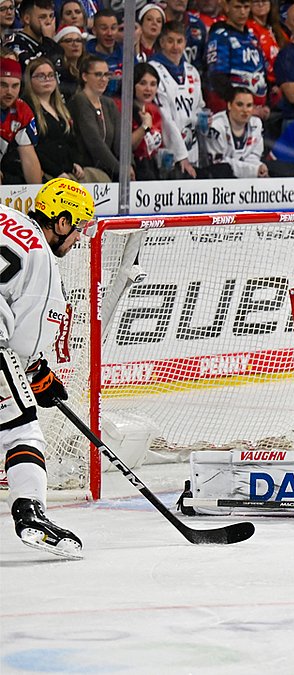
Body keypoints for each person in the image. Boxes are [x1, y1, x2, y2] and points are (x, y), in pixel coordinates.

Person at [1, 176, 94, 559]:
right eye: (79, 227)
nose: (78, 238)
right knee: (23, 430)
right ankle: (31, 513)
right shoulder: (41, 256)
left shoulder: (4, 215)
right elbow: (23, 343)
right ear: (60, 221)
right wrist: (37, 374)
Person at [21, 56, 104, 183]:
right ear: (30, 80)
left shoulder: (61, 109)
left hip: (67, 171)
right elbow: (37, 150)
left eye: (50, 75)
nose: (47, 80)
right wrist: (57, 172)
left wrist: (75, 164)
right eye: (41, 76)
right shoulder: (27, 108)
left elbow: (70, 142)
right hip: (46, 173)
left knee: (101, 179)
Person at [150, 21, 205, 170]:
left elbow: (198, 107)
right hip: (166, 152)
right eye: (170, 41)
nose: (175, 47)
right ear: (161, 42)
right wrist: (181, 156)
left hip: (191, 149)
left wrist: (204, 119)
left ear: (185, 42)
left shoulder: (192, 71)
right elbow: (164, 117)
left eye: (179, 41)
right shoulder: (153, 70)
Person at [204, 0, 268, 115]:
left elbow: (262, 72)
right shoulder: (220, 36)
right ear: (227, 7)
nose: (242, 12)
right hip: (229, 114)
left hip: (256, 112)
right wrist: (243, 107)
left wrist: (267, 103)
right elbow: (217, 77)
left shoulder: (252, 37)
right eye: (237, 7)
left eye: (246, 7)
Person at [67, 54, 122, 181]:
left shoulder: (109, 103)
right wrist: (119, 170)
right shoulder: (80, 101)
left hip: (108, 170)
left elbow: (120, 140)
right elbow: (94, 142)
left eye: (107, 75)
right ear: (84, 76)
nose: (103, 79)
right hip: (86, 172)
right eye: (98, 74)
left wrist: (128, 165)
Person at [204, 87, 266, 178]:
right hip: (218, 179)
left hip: (247, 176)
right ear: (229, 105)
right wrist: (252, 170)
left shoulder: (256, 124)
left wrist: (259, 168)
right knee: (223, 170)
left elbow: (254, 155)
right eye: (240, 105)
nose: (245, 110)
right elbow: (219, 163)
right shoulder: (216, 126)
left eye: (249, 105)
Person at [0, 55, 42, 184]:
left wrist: (37, 196)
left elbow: (29, 158)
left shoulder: (21, 110)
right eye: (3, 85)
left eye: (15, 86)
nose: (9, 92)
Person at [3, 0, 61, 68]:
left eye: (51, 16)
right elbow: (37, 71)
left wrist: (50, 41)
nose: (48, 22)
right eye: (42, 17)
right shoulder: (15, 45)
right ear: (27, 19)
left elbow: (61, 69)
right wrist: (48, 40)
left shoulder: (52, 44)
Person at [85, 9, 123, 96]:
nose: (109, 33)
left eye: (113, 28)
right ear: (94, 31)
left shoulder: (126, 53)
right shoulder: (85, 55)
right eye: (104, 28)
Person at [52, 26, 85, 99]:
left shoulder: (88, 67)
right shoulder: (58, 72)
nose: (75, 44)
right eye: (69, 41)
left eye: (78, 40)